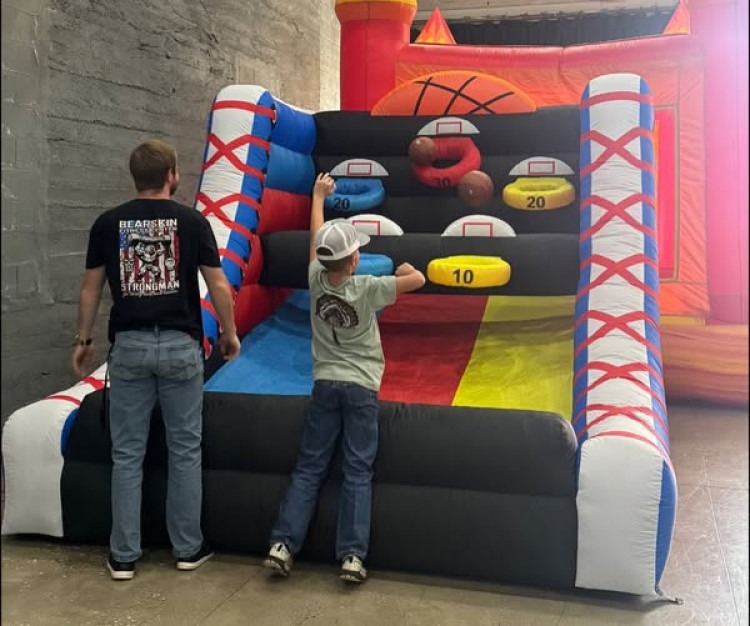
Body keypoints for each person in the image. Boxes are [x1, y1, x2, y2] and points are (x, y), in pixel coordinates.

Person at [72, 139, 241, 581]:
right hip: (181, 346)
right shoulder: (192, 221)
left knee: (127, 453)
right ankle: (187, 548)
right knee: (184, 449)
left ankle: (124, 555)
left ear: (136, 176)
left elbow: (91, 288)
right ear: (170, 175)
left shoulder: (108, 223)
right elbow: (218, 284)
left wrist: (83, 339)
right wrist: (229, 332)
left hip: (129, 346)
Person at [262, 173, 425, 583]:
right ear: (354, 261)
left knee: (309, 466)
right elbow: (418, 280)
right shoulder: (368, 287)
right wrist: (408, 267)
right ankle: (352, 555)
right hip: (362, 386)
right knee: (358, 469)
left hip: (325, 383)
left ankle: (282, 544)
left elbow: (316, 237)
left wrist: (318, 196)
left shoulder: (315, 280)